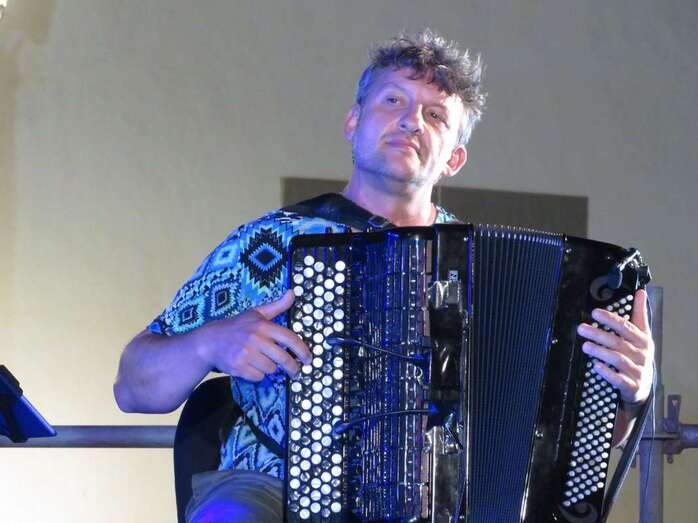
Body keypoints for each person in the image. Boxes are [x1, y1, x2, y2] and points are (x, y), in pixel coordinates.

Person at [114, 29, 654, 522]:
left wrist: (632, 393)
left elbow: (568, 437)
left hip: (444, 504)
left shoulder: (487, 270)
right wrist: (211, 342)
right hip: (273, 488)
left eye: (435, 115)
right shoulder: (269, 243)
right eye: (393, 100)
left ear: (454, 159)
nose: (411, 121)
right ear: (353, 124)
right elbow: (133, 387)